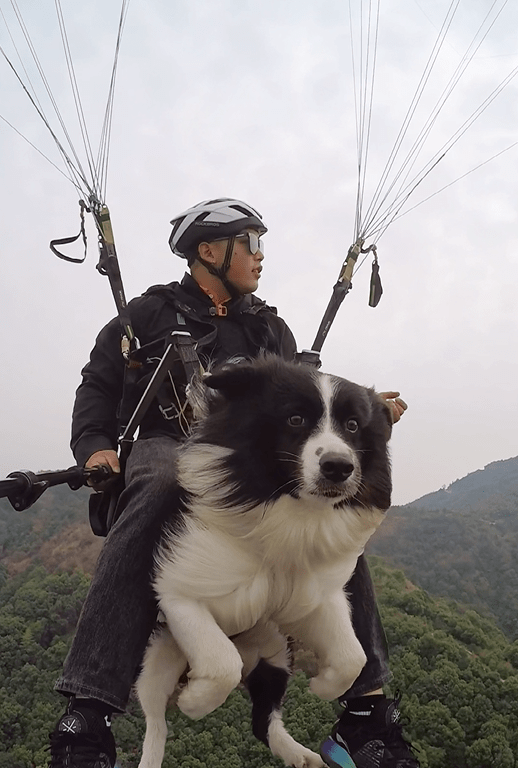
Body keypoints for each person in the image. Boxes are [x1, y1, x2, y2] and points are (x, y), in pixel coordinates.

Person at [47, 198, 417, 768]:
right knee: (164, 483)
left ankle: (365, 714)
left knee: (333, 520)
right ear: (210, 251)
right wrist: (95, 447)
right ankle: (88, 714)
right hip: (166, 444)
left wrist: (367, 410)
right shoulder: (143, 317)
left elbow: (308, 408)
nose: (261, 257)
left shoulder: (269, 328)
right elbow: (96, 388)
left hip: (243, 464)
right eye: (252, 243)